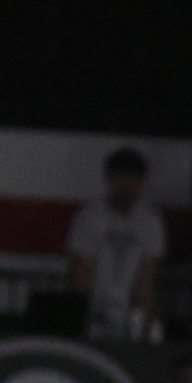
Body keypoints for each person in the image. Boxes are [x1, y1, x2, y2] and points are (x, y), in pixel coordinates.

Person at [66, 146, 165, 342]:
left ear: (142, 182)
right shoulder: (90, 216)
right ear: (109, 179)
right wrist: (83, 313)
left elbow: (148, 274)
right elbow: (80, 269)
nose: (126, 186)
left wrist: (143, 317)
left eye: (132, 180)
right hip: (95, 311)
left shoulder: (150, 220)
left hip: (130, 312)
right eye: (121, 178)